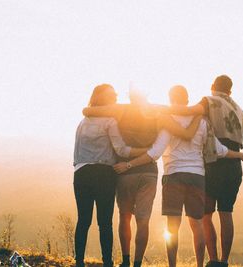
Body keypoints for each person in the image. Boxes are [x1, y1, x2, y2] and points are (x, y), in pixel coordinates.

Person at [114, 86, 243, 267]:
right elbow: (219, 150)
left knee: (172, 227)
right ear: (187, 100)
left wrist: (129, 164)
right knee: (197, 225)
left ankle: (172, 265)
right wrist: (239, 155)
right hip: (197, 176)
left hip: (173, 176)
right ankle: (200, 265)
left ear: (171, 100)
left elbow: (155, 153)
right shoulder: (202, 121)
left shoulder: (168, 121)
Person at [82, 89, 202, 267]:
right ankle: (138, 262)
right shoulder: (157, 112)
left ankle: (125, 260)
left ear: (130, 96)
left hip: (125, 170)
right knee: (143, 220)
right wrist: (199, 111)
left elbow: (87, 111)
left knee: (125, 217)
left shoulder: (120, 109)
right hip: (148, 172)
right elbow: (185, 130)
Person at [167, 76, 243, 267]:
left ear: (213, 87)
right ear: (231, 90)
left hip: (213, 162)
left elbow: (187, 111)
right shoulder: (240, 111)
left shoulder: (209, 101)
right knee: (226, 212)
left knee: (206, 214)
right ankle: (224, 261)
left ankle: (212, 260)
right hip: (233, 164)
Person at [73, 84, 148, 267]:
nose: (115, 97)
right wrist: (146, 151)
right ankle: (107, 261)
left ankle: (79, 262)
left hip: (81, 173)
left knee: (83, 220)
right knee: (105, 222)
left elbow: (76, 153)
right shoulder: (110, 121)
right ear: (104, 99)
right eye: (112, 95)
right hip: (104, 174)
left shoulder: (83, 122)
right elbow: (121, 149)